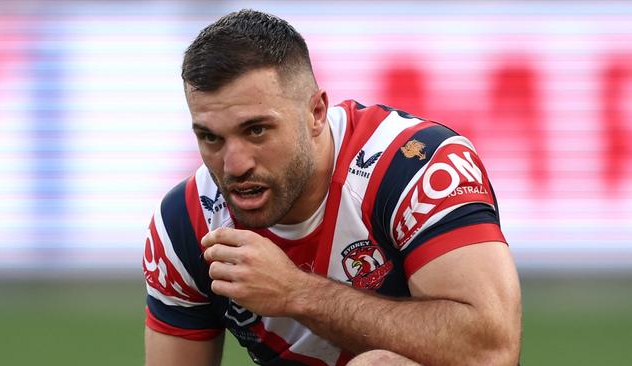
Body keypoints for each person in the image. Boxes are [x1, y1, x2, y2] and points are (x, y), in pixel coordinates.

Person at [142, 9, 521, 366]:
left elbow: (492, 349)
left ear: (316, 114)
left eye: (256, 130)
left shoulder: (416, 168)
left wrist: (298, 294)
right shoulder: (185, 226)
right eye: (210, 138)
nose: (234, 165)